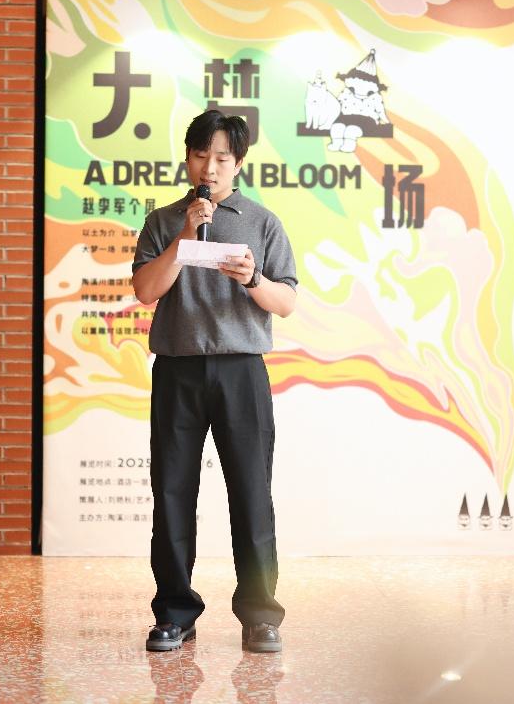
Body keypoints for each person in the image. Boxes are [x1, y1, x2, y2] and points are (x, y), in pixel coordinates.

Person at [132, 110, 297, 654]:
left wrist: (253, 279)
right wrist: (186, 235)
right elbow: (146, 292)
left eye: (222, 157)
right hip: (177, 368)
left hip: (241, 370)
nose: (210, 167)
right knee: (172, 493)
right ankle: (175, 612)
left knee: (251, 493)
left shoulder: (263, 222)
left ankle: (260, 614)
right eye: (201, 155)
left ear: (239, 163)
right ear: (188, 159)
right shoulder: (163, 221)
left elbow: (286, 301)